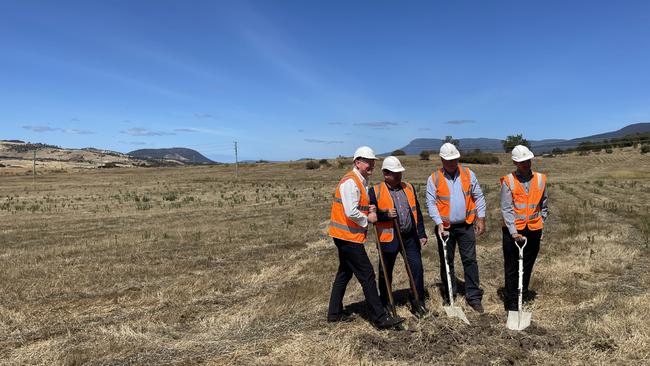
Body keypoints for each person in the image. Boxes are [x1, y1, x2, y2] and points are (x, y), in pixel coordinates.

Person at [327, 146, 405, 329]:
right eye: (367, 161)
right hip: (347, 237)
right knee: (367, 275)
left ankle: (334, 313)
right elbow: (350, 211)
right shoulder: (351, 182)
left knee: (344, 273)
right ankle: (380, 318)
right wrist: (368, 218)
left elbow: (358, 204)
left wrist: (369, 207)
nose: (371, 165)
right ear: (357, 162)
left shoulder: (362, 181)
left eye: (373, 162)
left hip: (347, 235)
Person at [426, 143, 487, 313]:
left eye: (455, 159)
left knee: (470, 260)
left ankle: (474, 297)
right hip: (444, 228)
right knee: (447, 262)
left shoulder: (468, 174)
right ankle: (450, 296)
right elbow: (430, 203)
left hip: (466, 225)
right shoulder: (434, 178)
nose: (452, 163)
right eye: (448, 160)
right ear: (442, 160)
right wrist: (439, 223)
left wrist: (480, 217)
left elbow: (479, 196)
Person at [368, 156, 429, 317]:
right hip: (388, 239)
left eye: (400, 173)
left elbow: (417, 212)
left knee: (416, 269)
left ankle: (418, 301)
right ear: (385, 174)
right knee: (386, 273)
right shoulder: (375, 191)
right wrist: (384, 215)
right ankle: (386, 303)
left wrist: (421, 233)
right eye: (395, 173)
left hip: (410, 237)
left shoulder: (408, 187)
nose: (399, 176)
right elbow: (370, 215)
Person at [500, 145, 548, 311]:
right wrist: (513, 232)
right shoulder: (509, 181)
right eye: (522, 162)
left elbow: (544, 204)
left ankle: (523, 292)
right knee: (512, 266)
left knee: (528, 264)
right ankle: (512, 301)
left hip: (534, 229)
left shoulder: (541, 179)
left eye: (527, 160)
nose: (526, 164)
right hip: (513, 231)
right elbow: (506, 208)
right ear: (515, 162)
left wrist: (542, 225)